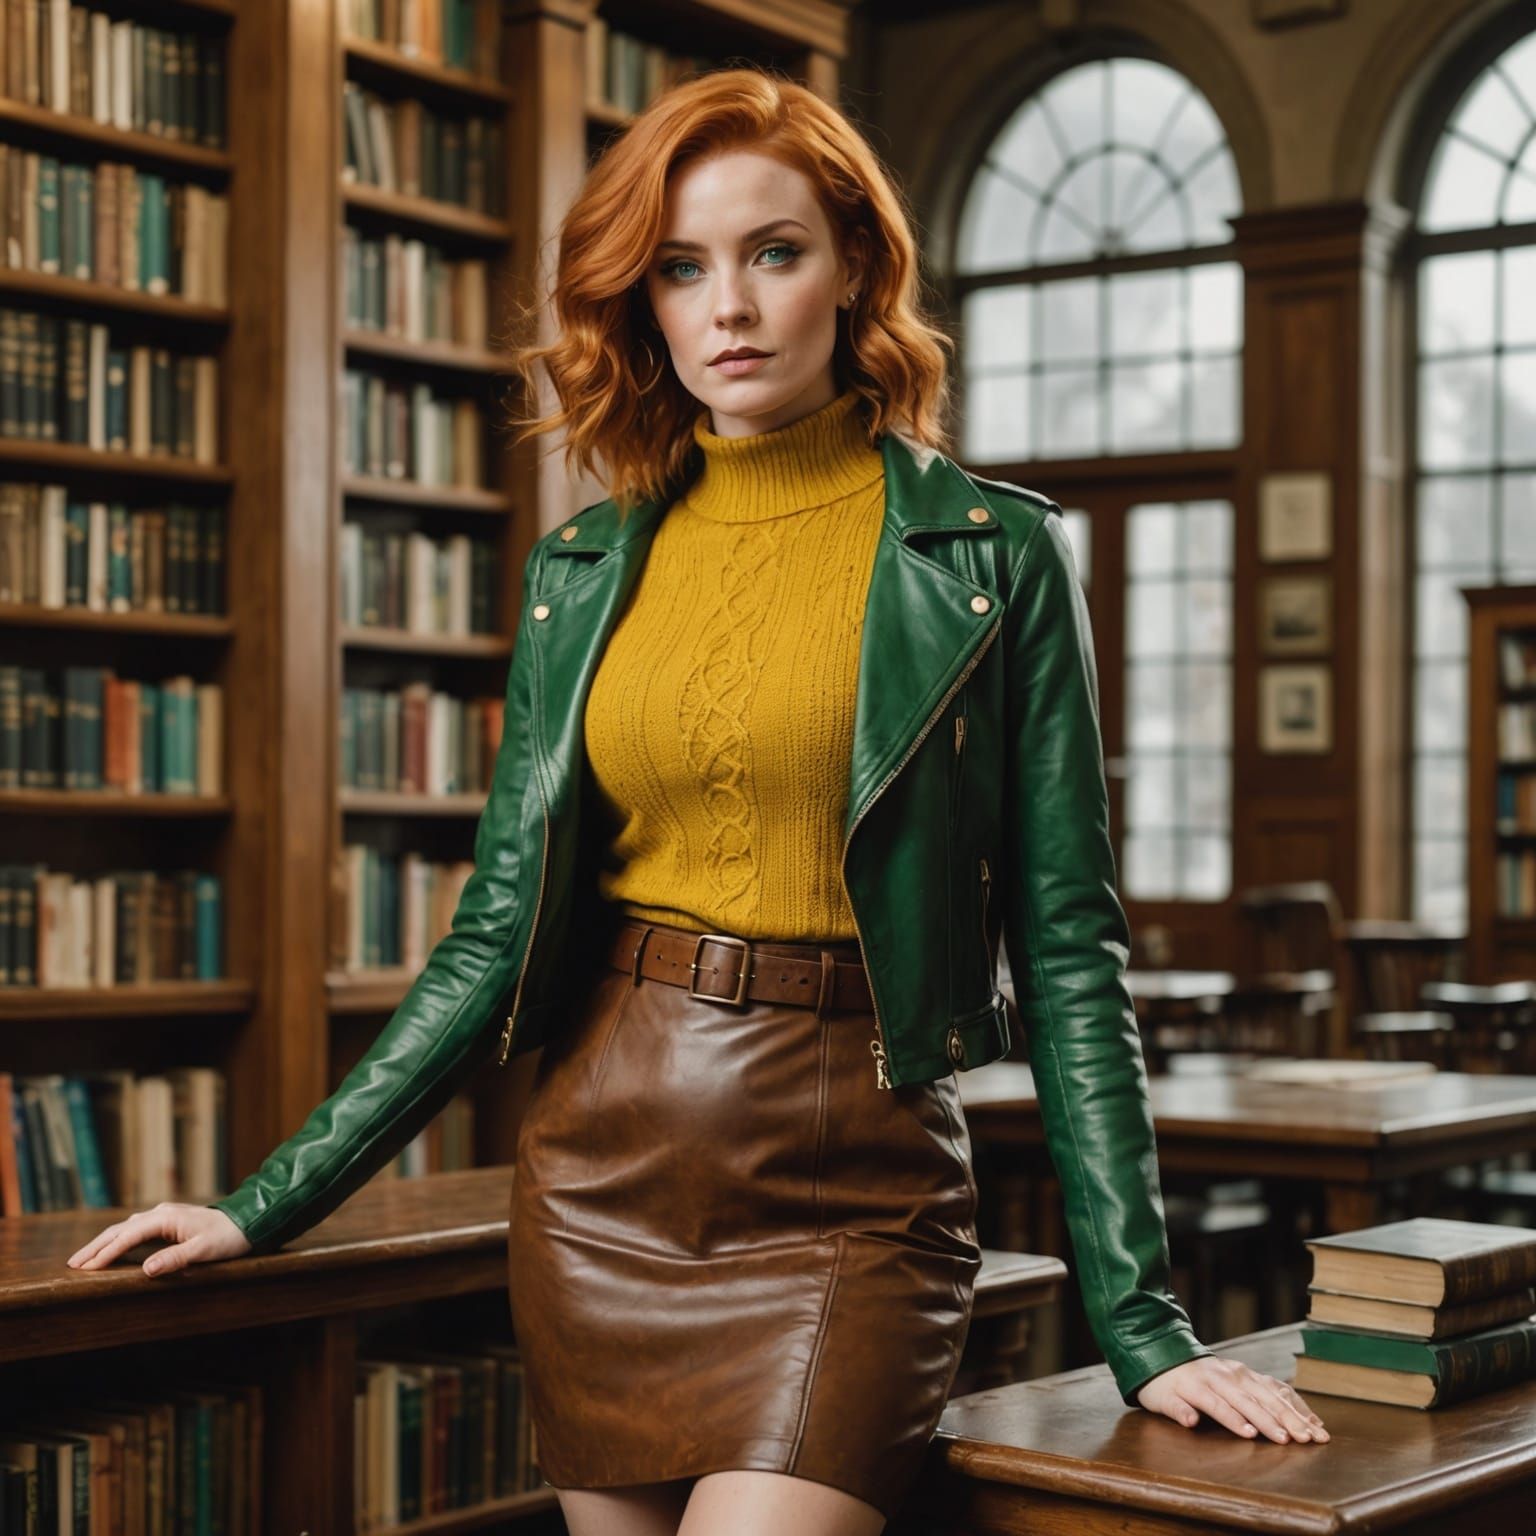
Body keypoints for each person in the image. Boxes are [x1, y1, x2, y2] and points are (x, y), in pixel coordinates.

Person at [66, 65, 1327, 1536]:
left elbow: (1065, 952)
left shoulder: (994, 558)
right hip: (606, 1166)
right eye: (682, 266)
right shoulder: (584, 569)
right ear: (644, 300)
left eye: (772, 253)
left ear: (854, 268)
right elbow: (489, 941)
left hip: (855, 1182)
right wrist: (261, 1204)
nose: (726, 306)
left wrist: (1145, 1323)